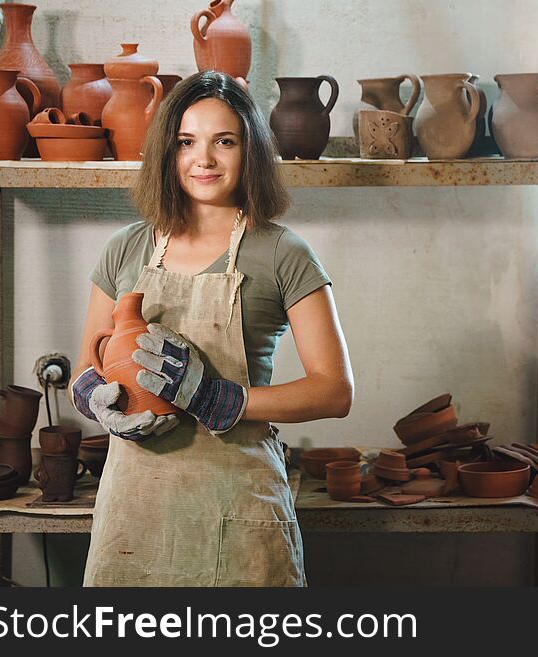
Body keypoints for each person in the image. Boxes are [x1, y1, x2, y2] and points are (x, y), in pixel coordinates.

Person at [68, 71, 353, 586]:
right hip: (134, 516)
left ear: (250, 151)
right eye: (186, 142)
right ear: (166, 152)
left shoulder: (282, 252)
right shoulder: (125, 249)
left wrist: (219, 398)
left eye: (224, 141)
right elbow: (85, 366)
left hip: (238, 511)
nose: (204, 159)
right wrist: (95, 399)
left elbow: (334, 391)